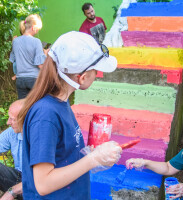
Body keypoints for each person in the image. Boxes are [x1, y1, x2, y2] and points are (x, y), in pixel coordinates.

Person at [17, 31, 122, 199]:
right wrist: (94, 159)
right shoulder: (46, 114)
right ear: (82, 77)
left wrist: (94, 154)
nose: (98, 74)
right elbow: (43, 184)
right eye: (96, 70)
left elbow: (62, 155)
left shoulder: (60, 103)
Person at [9, 14, 48, 99]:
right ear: (34, 28)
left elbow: (13, 60)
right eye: (38, 30)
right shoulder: (36, 41)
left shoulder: (15, 41)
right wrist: (46, 56)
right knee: (37, 106)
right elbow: (40, 65)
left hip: (20, 80)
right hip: (34, 79)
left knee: (23, 107)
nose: (37, 32)